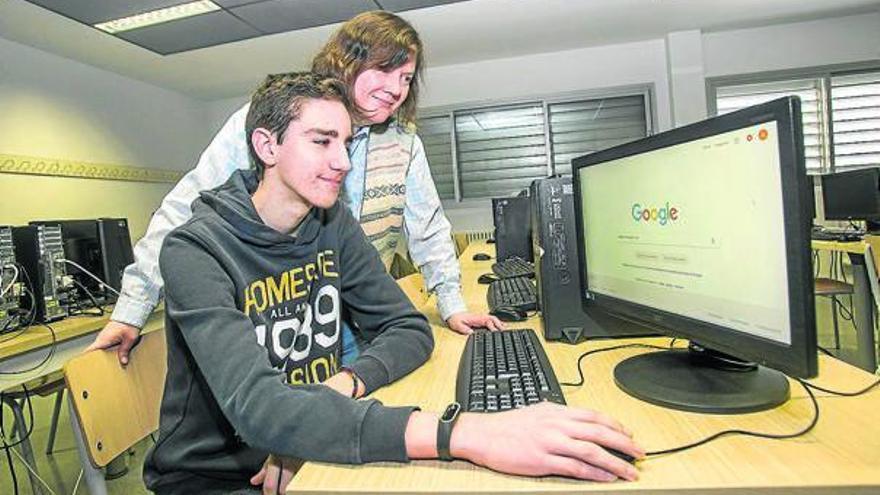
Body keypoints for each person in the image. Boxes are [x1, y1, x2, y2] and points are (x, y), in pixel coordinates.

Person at [144, 71, 642, 494]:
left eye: (345, 142)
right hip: (219, 476)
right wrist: (463, 433)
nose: (342, 161)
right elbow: (259, 410)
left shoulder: (330, 223)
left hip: (309, 437)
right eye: (322, 141)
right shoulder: (195, 250)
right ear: (266, 145)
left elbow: (407, 327)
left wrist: (343, 385)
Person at [88, 11, 501, 366]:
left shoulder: (404, 142)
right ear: (348, 63)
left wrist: (452, 306)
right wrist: (132, 308)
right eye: (384, 69)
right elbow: (183, 213)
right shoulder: (269, 119)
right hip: (277, 321)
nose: (396, 88)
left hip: (357, 320)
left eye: (407, 78)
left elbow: (426, 227)